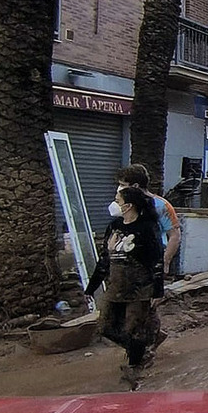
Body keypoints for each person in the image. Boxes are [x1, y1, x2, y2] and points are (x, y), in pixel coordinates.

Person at [84, 186, 164, 384]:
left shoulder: (146, 228)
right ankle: (144, 347)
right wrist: (91, 286)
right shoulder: (114, 226)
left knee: (133, 329)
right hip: (116, 286)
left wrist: (157, 289)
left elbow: (156, 260)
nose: (115, 204)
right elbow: (105, 259)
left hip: (140, 288)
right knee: (105, 327)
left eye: (118, 201)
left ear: (128, 206)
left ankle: (134, 370)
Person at [117, 164, 180, 276]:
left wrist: (165, 261)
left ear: (135, 186)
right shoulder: (122, 203)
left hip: (151, 260)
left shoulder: (161, 206)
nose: (119, 189)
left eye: (122, 185)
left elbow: (174, 234)